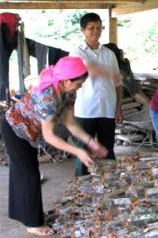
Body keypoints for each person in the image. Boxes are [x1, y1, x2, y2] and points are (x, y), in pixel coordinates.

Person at [1, 56, 108, 236]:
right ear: (67, 81)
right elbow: (49, 136)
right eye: (78, 84)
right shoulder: (48, 97)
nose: (79, 87)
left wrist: (91, 142)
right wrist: (78, 151)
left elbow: (70, 123)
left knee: (24, 172)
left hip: (29, 131)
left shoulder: (68, 92)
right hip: (14, 128)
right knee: (29, 174)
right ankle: (33, 223)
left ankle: (27, 214)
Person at [70, 13, 123, 177]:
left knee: (107, 149)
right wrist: (109, 73)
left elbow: (118, 84)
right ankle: (80, 189)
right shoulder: (76, 53)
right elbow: (89, 69)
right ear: (83, 30)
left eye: (99, 28)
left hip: (107, 109)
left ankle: (109, 184)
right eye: (91, 28)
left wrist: (118, 107)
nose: (95, 31)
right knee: (84, 151)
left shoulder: (109, 54)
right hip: (86, 111)